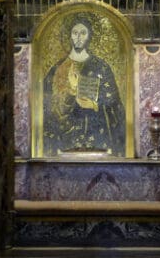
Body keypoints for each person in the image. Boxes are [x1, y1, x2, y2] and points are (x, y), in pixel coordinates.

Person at [43, 16, 125, 156]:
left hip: (97, 136)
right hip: (66, 139)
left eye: (83, 33)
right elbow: (48, 106)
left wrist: (95, 105)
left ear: (90, 36)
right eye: (75, 33)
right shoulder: (57, 69)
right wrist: (72, 92)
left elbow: (114, 102)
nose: (79, 37)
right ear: (69, 36)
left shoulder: (101, 67)